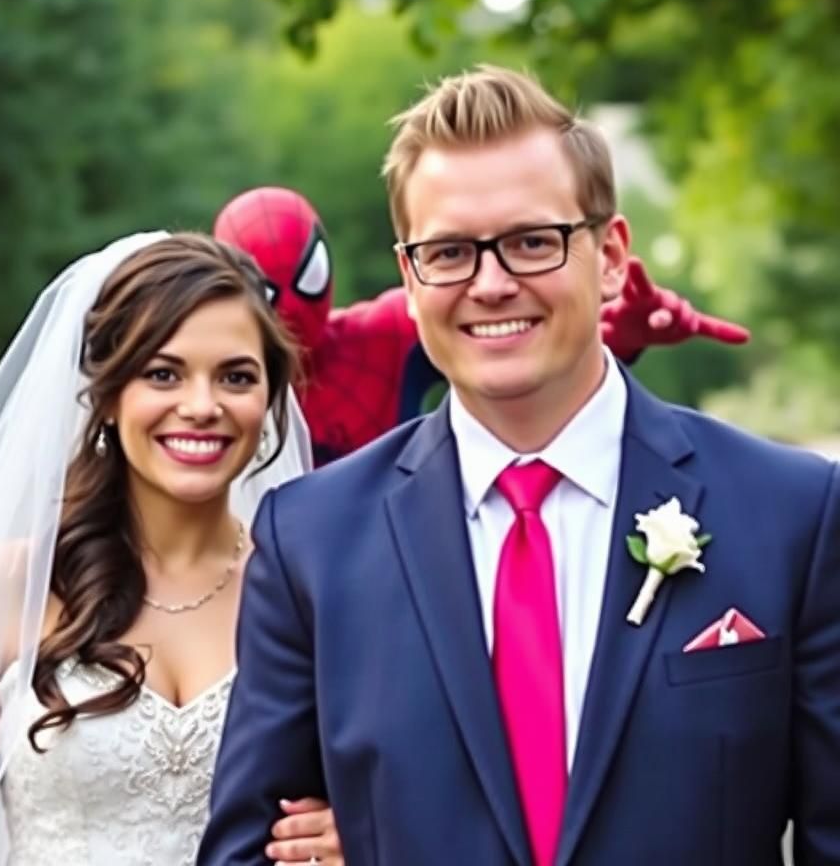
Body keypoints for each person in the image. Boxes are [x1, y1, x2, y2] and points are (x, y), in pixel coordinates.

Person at [199, 68, 840, 865]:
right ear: (409, 278)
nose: (492, 284)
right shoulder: (311, 543)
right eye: (449, 252)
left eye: (533, 242)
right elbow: (247, 851)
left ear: (611, 257)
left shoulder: (793, 515)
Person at [0, 232, 344, 866]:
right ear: (108, 394)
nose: (202, 406)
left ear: (268, 398)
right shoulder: (5, 590)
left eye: (235, 377)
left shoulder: (307, 593)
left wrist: (355, 838)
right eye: (163, 373)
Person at [214, 186, 750, 464]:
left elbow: (511, 341)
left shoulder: (382, 335)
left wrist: (607, 330)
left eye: (301, 280)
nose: (289, 311)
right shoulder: (205, 377)